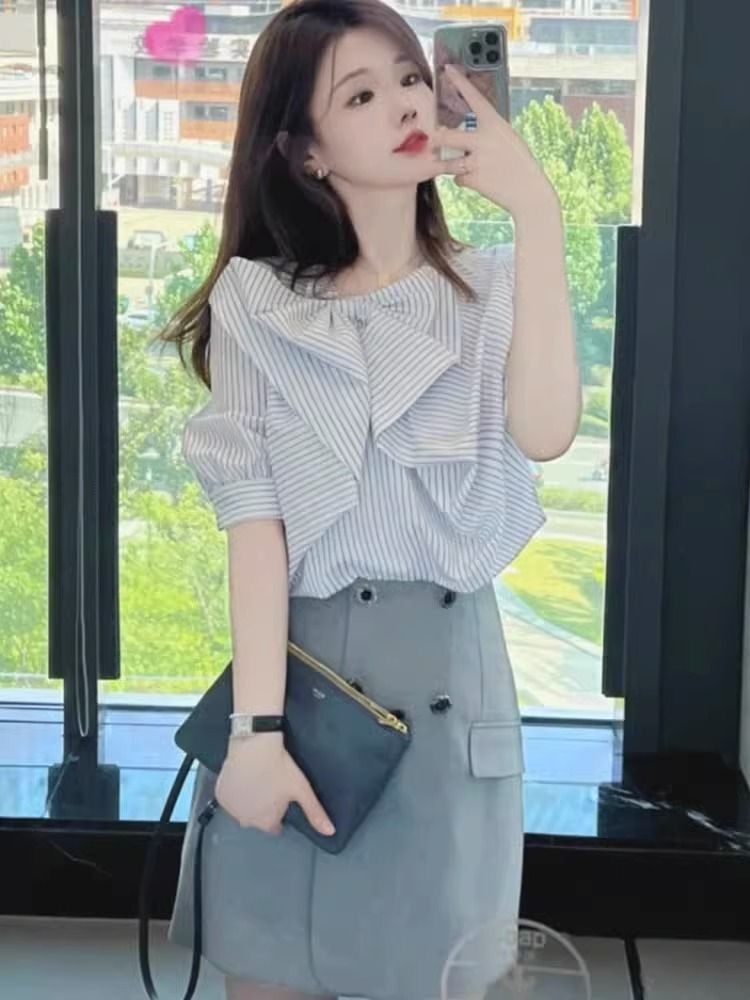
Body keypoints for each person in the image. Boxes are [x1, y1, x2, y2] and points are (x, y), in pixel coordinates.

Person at [160, 1, 581, 998]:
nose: (403, 105)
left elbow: (546, 432)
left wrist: (539, 209)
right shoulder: (261, 305)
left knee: (434, 978)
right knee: (270, 972)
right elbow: (254, 528)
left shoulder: (495, 288)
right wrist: (255, 734)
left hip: (446, 706)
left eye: (408, 78)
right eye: (360, 95)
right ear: (304, 151)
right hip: (301, 701)